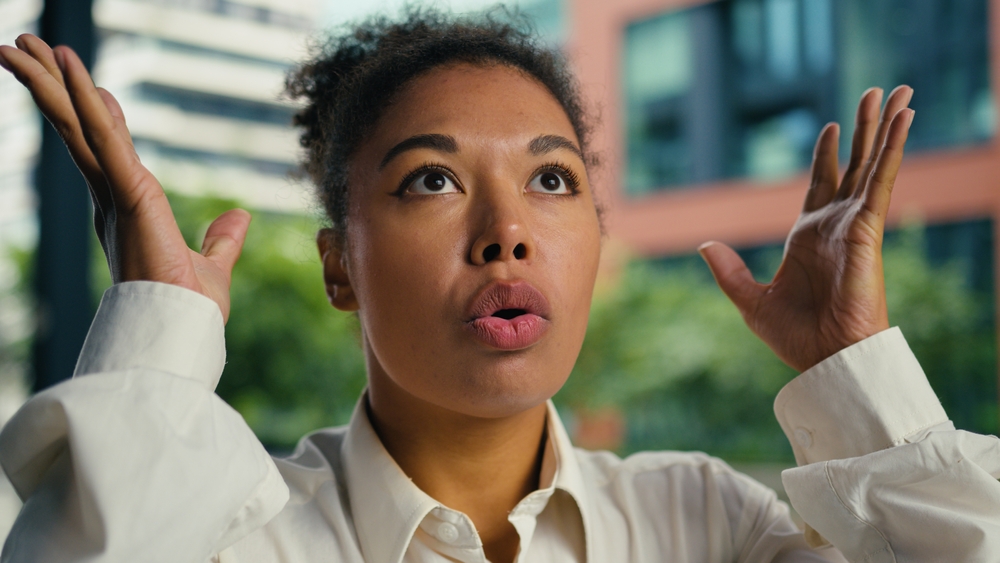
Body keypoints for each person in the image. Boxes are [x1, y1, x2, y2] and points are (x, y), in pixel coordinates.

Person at [0, 8, 998, 563]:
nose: (506, 233)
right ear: (339, 265)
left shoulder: (706, 523)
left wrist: (852, 368)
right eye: (432, 180)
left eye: (551, 180)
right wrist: (163, 332)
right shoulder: (236, 534)